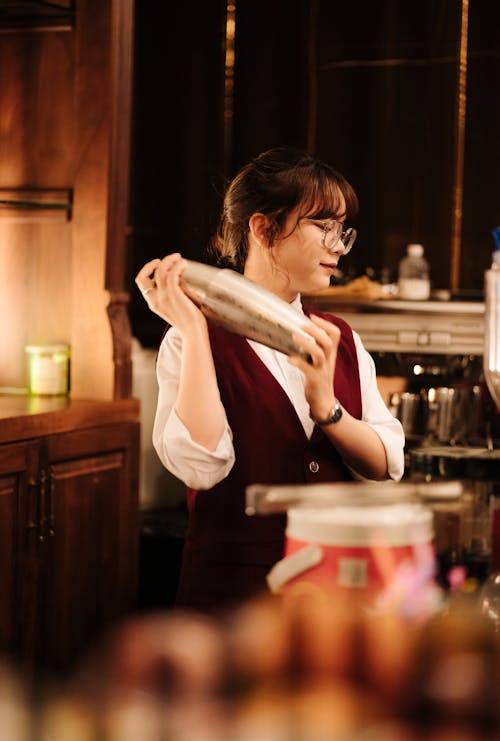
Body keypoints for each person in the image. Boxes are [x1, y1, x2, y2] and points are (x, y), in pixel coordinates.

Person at [135, 146, 405, 614]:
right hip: (231, 604)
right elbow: (202, 464)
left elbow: (385, 464)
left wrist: (328, 410)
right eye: (323, 228)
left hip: (331, 599)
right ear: (263, 229)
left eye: (342, 231)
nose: (338, 246)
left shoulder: (341, 338)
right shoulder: (190, 341)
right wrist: (195, 330)